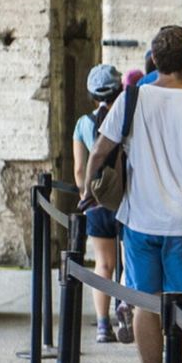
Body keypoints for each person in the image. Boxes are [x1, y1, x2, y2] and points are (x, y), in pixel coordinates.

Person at [80, 26, 182, 363]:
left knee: (145, 302)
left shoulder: (131, 99)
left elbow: (99, 151)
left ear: (155, 61)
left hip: (140, 220)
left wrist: (88, 190)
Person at [72, 63, 126, 344]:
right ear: (119, 91)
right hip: (124, 201)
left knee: (103, 264)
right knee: (128, 262)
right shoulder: (125, 120)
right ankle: (126, 310)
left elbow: (80, 169)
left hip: (95, 202)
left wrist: (86, 195)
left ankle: (103, 324)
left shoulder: (83, 124)